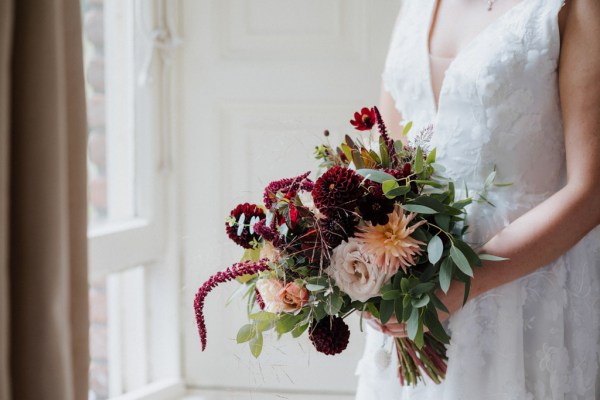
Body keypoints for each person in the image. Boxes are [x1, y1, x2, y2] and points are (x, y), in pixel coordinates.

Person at [355, 0, 600, 398]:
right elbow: (386, 156)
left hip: (523, 286)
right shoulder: (415, 6)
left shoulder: (573, 8)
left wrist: (464, 284)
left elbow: (591, 191)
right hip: (414, 275)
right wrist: (366, 271)